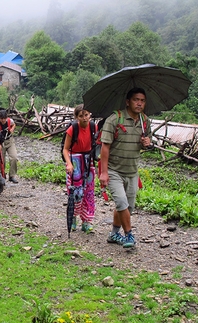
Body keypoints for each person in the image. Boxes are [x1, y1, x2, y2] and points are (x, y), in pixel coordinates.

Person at [99, 87, 153, 248]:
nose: (139, 103)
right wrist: (103, 172)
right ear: (128, 101)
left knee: (128, 207)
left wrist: (147, 143)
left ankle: (114, 233)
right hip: (114, 170)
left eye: (142, 100)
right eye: (136, 100)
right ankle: (129, 235)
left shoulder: (144, 121)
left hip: (132, 171)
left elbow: (147, 141)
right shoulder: (114, 119)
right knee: (122, 203)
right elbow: (105, 147)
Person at [62, 105, 97, 234]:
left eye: (86, 115)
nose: (84, 118)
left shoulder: (94, 127)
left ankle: (87, 221)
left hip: (89, 160)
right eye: (81, 116)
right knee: (76, 192)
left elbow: (98, 143)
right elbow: (65, 149)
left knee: (89, 191)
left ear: (90, 115)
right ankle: (73, 217)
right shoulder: (73, 129)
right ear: (76, 117)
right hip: (75, 160)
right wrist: (69, 164)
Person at [0, 110, 19, 183]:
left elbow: (14, 124)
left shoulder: (10, 121)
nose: (3, 120)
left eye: (4, 118)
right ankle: (2, 176)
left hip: (10, 140)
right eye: (1, 118)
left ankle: (12, 176)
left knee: (14, 157)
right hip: (0, 143)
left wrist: (12, 129)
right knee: (2, 161)